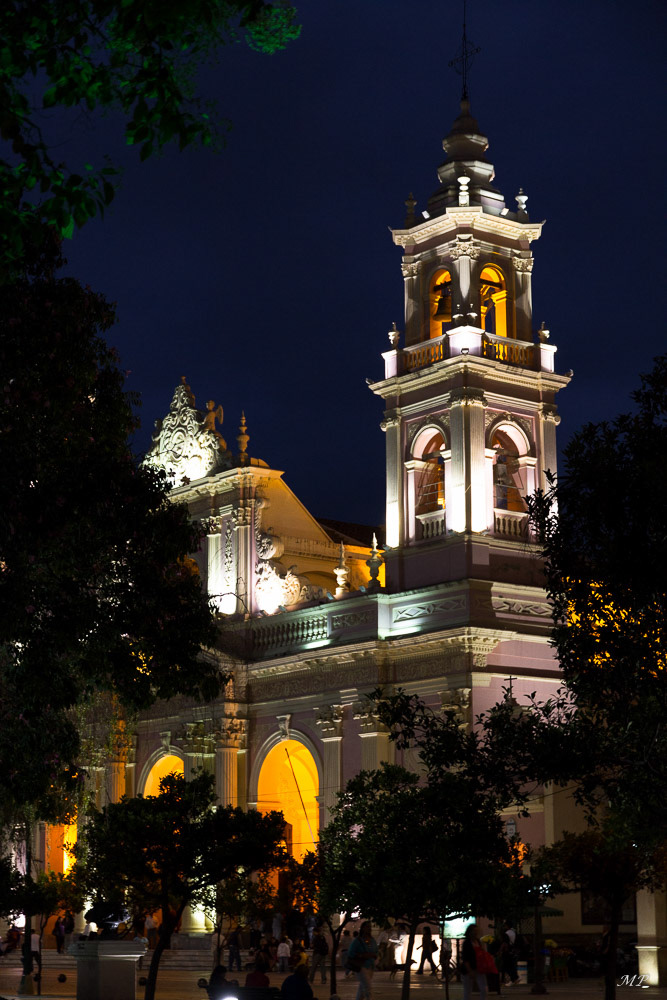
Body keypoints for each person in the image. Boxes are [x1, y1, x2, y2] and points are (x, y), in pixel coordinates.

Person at [347, 920, 378, 1000]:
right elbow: (351, 953)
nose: (369, 929)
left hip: (370, 966)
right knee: (368, 987)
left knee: (362, 988)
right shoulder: (358, 941)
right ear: (363, 928)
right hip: (361, 966)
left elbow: (376, 951)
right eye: (367, 927)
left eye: (370, 927)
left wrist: (375, 956)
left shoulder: (372, 940)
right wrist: (362, 955)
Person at [461, 924, 487, 1000]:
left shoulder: (478, 941)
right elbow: (465, 958)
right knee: (468, 991)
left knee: (484, 988)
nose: (476, 933)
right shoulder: (467, 943)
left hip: (479, 968)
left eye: (477, 931)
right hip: (469, 969)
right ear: (470, 932)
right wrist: (470, 971)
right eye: (474, 931)